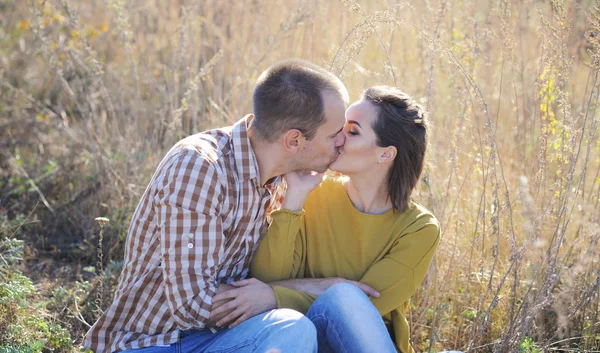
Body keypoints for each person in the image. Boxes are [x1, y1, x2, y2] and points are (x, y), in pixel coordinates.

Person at [83, 59, 350, 353]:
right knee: (291, 326)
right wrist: (299, 291)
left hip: (220, 338)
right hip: (154, 342)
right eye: (334, 133)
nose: (342, 141)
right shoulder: (200, 166)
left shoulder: (284, 177)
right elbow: (192, 305)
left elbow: (259, 282)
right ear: (294, 140)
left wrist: (286, 292)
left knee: (298, 328)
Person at [248, 86, 440, 353]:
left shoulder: (419, 228)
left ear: (386, 154)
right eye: (339, 128)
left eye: (352, 132)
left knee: (344, 297)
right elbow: (266, 277)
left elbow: (362, 307)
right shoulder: (312, 193)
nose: (337, 139)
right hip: (303, 338)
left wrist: (275, 295)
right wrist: (295, 198)